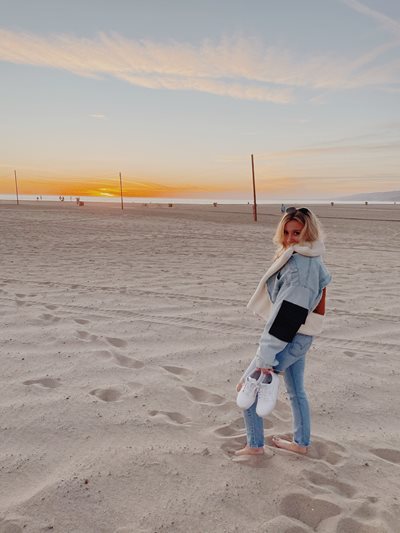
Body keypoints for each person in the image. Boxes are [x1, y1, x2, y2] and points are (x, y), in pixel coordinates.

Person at [235, 207, 331, 456]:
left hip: (289, 339)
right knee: (296, 390)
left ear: (308, 232)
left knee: (249, 388)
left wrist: (266, 358)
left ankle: (255, 446)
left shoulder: (300, 267)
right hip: (302, 336)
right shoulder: (309, 256)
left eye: (297, 232)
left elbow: (287, 317)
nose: (290, 238)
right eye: (287, 232)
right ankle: (300, 443)